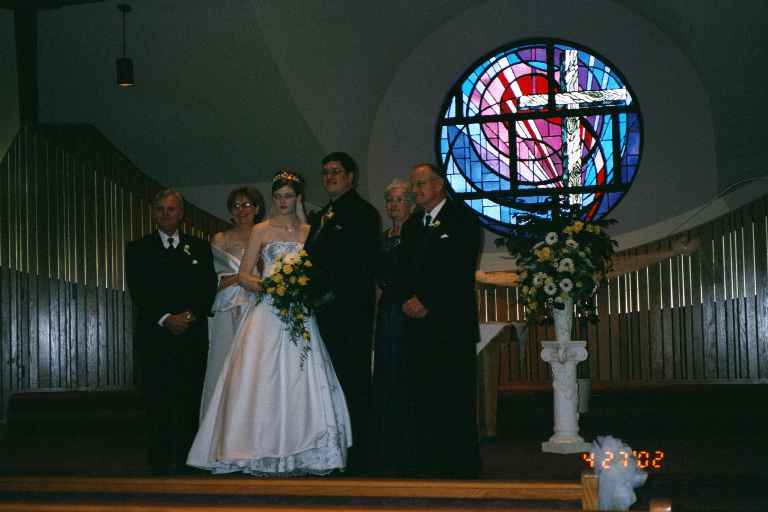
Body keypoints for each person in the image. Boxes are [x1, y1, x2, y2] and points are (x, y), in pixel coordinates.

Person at [187, 169, 352, 475]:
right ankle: (253, 447)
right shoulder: (261, 229)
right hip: (266, 311)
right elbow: (246, 274)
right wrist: (270, 288)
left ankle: (306, 448)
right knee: (260, 378)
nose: (283, 201)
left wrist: (302, 289)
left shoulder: (309, 231)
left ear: (298, 198)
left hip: (299, 312)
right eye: (278, 196)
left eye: (288, 196)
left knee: (300, 375)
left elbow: (319, 272)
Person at [396, 163, 483, 478]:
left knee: (454, 397)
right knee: (423, 397)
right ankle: (427, 464)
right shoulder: (412, 225)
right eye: (413, 185)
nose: (416, 190)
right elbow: (403, 269)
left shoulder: (464, 220)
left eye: (422, 184)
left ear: (440, 184)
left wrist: (428, 301)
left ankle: (460, 467)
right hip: (417, 326)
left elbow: (458, 271)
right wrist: (406, 298)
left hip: (451, 325)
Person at [125, 189, 217, 475]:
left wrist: (188, 316)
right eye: (160, 209)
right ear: (153, 213)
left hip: (191, 337)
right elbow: (139, 291)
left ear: (182, 213)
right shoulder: (137, 248)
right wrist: (165, 318)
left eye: (171, 209)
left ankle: (189, 465)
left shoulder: (200, 248)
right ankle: (159, 468)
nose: (166, 214)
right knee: (157, 403)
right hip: (155, 338)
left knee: (189, 402)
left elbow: (207, 288)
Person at [304, 152, 381, 474]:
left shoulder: (363, 213)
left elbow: (359, 265)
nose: (329, 177)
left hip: (349, 312)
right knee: (326, 383)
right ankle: (331, 451)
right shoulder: (322, 215)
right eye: (325, 173)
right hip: (322, 312)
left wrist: (326, 295)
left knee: (352, 382)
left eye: (336, 172)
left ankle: (358, 455)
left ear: (351, 177)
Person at [200, 187, 266, 418]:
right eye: (236, 206)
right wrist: (240, 277)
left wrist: (247, 279)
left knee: (253, 367)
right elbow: (213, 280)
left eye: (247, 205)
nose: (241, 210)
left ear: (257, 208)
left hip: (256, 308)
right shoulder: (219, 239)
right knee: (224, 366)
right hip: (227, 308)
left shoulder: (266, 238)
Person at [369, 178, 415, 476]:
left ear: (410, 204)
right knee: (385, 373)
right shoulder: (383, 237)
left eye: (399, 200)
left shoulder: (418, 234)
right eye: (389, 200)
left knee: (408, 372)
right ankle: (386, 443)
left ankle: (409, 442)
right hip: (387, 309)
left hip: (409, 311)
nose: (393, 205)